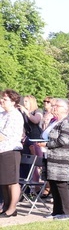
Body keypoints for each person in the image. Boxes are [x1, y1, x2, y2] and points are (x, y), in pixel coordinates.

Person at [44, 99, 69, 220]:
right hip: (51, 157)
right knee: (53, 184)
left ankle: (67, 213)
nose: (54, 107)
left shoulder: (67, 122)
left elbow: (63, 140)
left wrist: (46, 145)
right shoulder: (54, 121)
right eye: (54, 105)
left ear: (65, 109)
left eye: (56, 106)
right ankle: (57, 211)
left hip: (61, 157)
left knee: (61, 184)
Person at [0, 89, 24, 217]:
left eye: (5, 99)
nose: (2, 101)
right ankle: (6, 206)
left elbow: (4, 136)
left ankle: (12, 208)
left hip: (11, 150)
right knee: (3, 181)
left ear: (13, 102)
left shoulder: (15, 115)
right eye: (2, 99)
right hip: (2, 150)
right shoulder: (3, 114)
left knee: (12, 181)